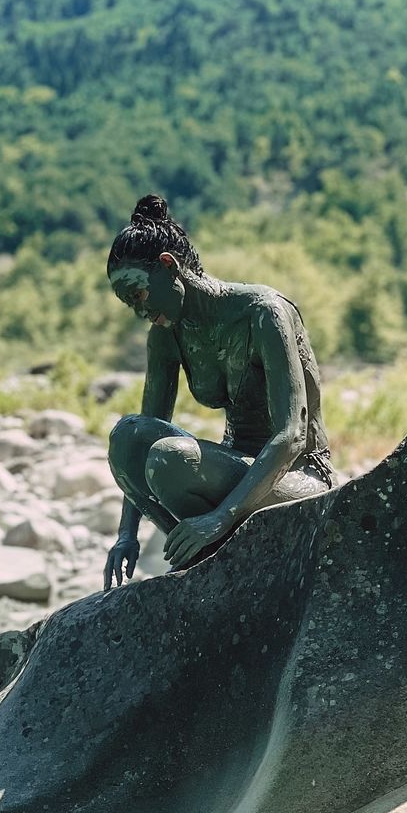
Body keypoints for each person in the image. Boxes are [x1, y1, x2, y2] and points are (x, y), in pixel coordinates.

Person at [103, 194, 334, 587]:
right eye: (130, 305)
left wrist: (219, 518)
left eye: (139, 296)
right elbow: (147, 427)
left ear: (168, 266)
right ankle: (203, 561)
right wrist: (127, 534)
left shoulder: (264, 312)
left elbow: (291, 436)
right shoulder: (165, 334)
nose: (140, 312)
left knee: (170, 459)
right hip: (236, 468)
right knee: (127, 435)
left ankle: (213, 548)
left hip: (297, 476)